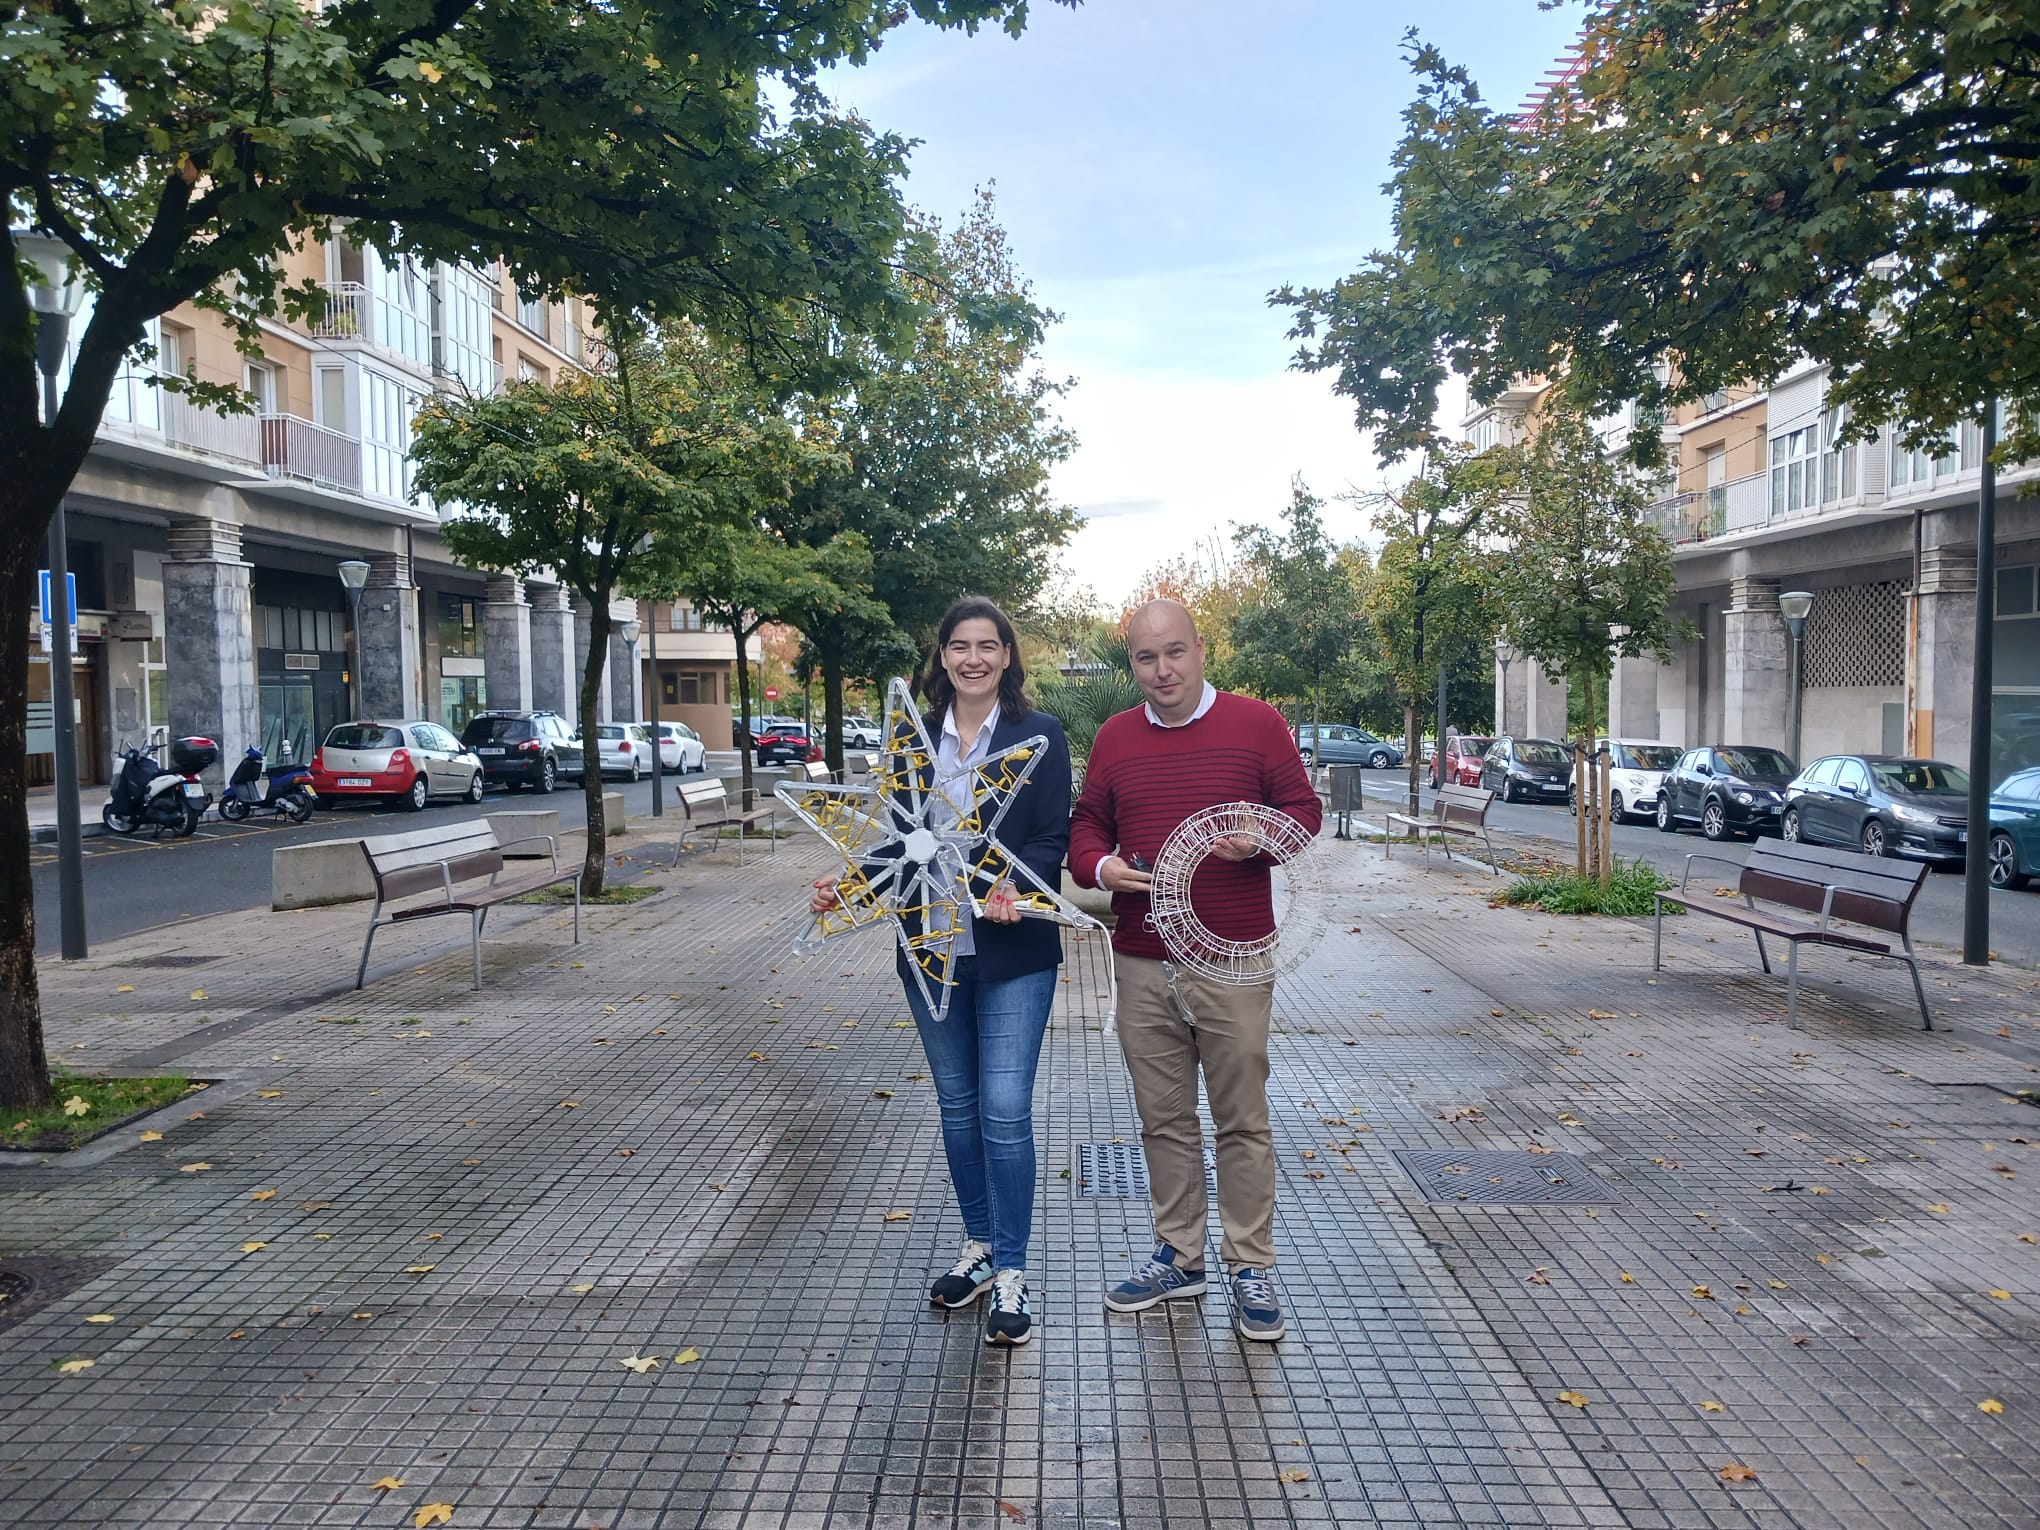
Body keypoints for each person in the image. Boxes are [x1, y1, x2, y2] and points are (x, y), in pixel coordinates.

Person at [809, 596, 1070, 1347]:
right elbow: (896, 842)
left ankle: (1015, 1272)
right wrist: (845, 890)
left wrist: (1024, 886)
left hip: (1014, 952)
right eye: (960, 645)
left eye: (989, 645)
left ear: (1008, 656)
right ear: (943, 657)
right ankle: (981, 1247)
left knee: (1004, 1109)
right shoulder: (911, 736)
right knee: (957, 1108)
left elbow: (1055, 831)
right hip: (931, 952)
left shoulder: (1039, 735)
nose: (974, 658)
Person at [1068, 599, 1322, 1341]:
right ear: (1133, 665)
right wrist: (1102, 865)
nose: (1163, 671)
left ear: (1201, 649)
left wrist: (1261, 841)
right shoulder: (1115, 737)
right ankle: (1180, 1257)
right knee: (1163, 1119)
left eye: (1175, 653)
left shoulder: (1256, 724)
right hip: (1143, 957)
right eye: (1146, 659)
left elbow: (1301, 812)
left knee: (1242, 1118)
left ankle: (1250, 1263)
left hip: (1233, 958)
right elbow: (1088, 822)